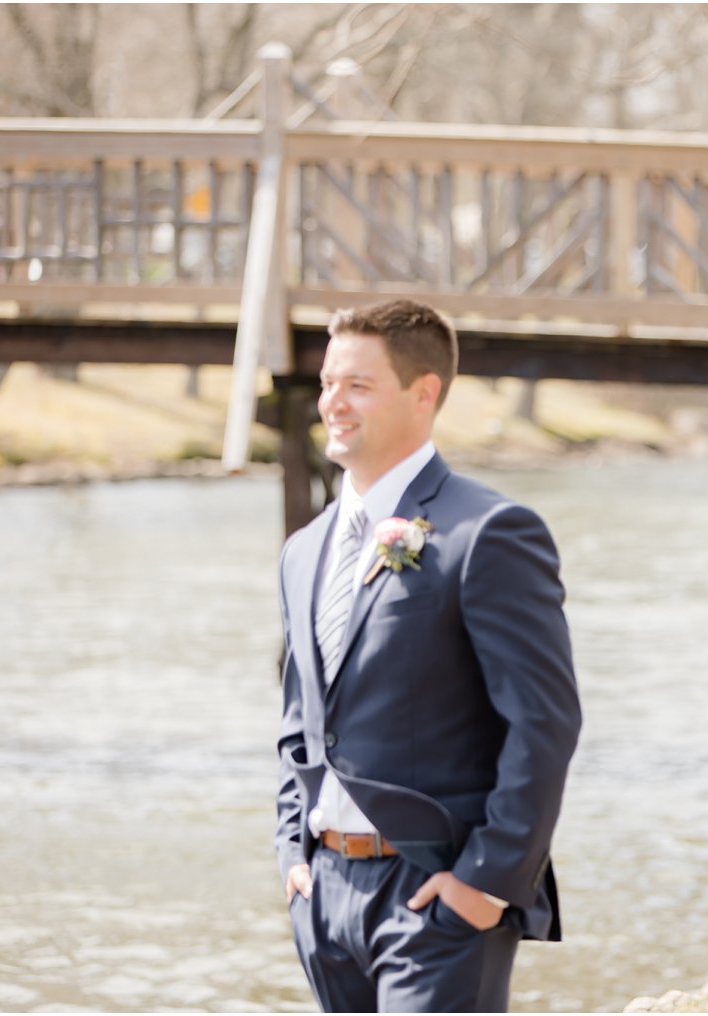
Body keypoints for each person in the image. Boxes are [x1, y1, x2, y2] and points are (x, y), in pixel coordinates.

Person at [274, 299, 581, 1012]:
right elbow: (299, 720)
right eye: (326, 383)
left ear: (424, 393)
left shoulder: (491, 532)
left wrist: (486, 882)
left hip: (433, 892)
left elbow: (544, 724)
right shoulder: (303, 550)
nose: (332, 403)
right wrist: (294, 853)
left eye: (358, 385)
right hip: (324, 896)